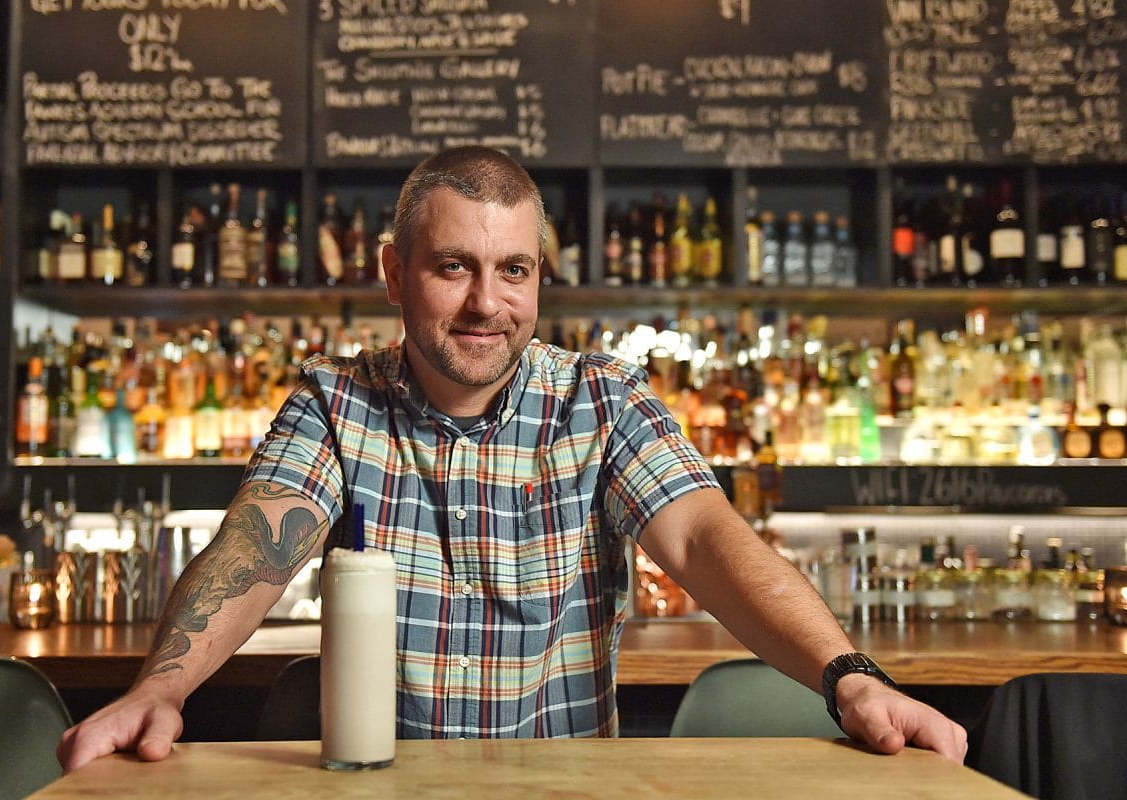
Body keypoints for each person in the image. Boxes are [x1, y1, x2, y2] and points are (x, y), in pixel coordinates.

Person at [58, 146, 966, 771]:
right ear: (393, 273)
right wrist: (163, 687)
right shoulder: (336, 403)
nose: (487, 303)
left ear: (539, 275)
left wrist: (850, 678)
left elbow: (703, 539)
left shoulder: (601, 399)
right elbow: (257, 546)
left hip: (566, 784)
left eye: (515, 271)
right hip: (382, 785)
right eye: (454, 267)